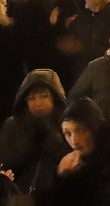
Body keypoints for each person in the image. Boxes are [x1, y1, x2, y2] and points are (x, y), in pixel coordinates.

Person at [0, 69, 68, 203]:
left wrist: (53, 139)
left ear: (55, 96)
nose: (38, 102)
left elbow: (75, 162)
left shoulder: (67, 124)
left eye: (44, 96)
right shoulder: (13, 125)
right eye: (31, 98)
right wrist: (27, 143)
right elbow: (4, 163)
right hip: (17, 198)